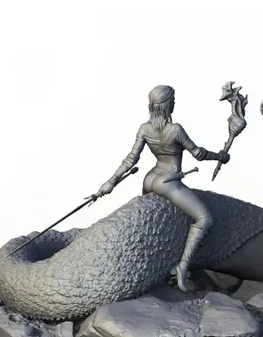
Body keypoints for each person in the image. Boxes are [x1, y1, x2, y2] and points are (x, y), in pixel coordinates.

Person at [93, 85, 230, 292]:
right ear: (168, 105)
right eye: (173, 101)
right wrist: (220, 156)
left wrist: (111, 182)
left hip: (149, 180)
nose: (175, 103)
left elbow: (131, 159)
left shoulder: (144, 128)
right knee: (205, 219)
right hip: (168, 181)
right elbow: (198, 154)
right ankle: (182, 266)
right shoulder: (175, 130)